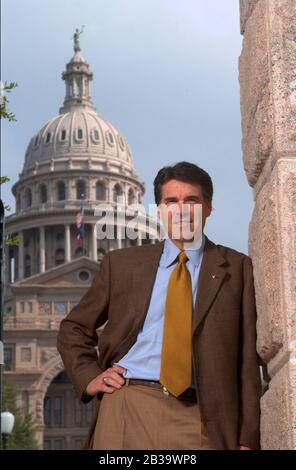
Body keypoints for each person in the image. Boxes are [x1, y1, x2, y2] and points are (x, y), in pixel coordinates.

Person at [57, 161, 262, 450]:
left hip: (202, 415)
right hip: (128, 404)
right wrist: (90, 377)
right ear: (159, 210)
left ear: (208, 208)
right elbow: (73, 328)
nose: (181, 209)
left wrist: (247, 438)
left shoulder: (238, 268)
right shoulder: (123, 265)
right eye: (171, 201)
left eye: (192, 200)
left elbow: (248, 362)